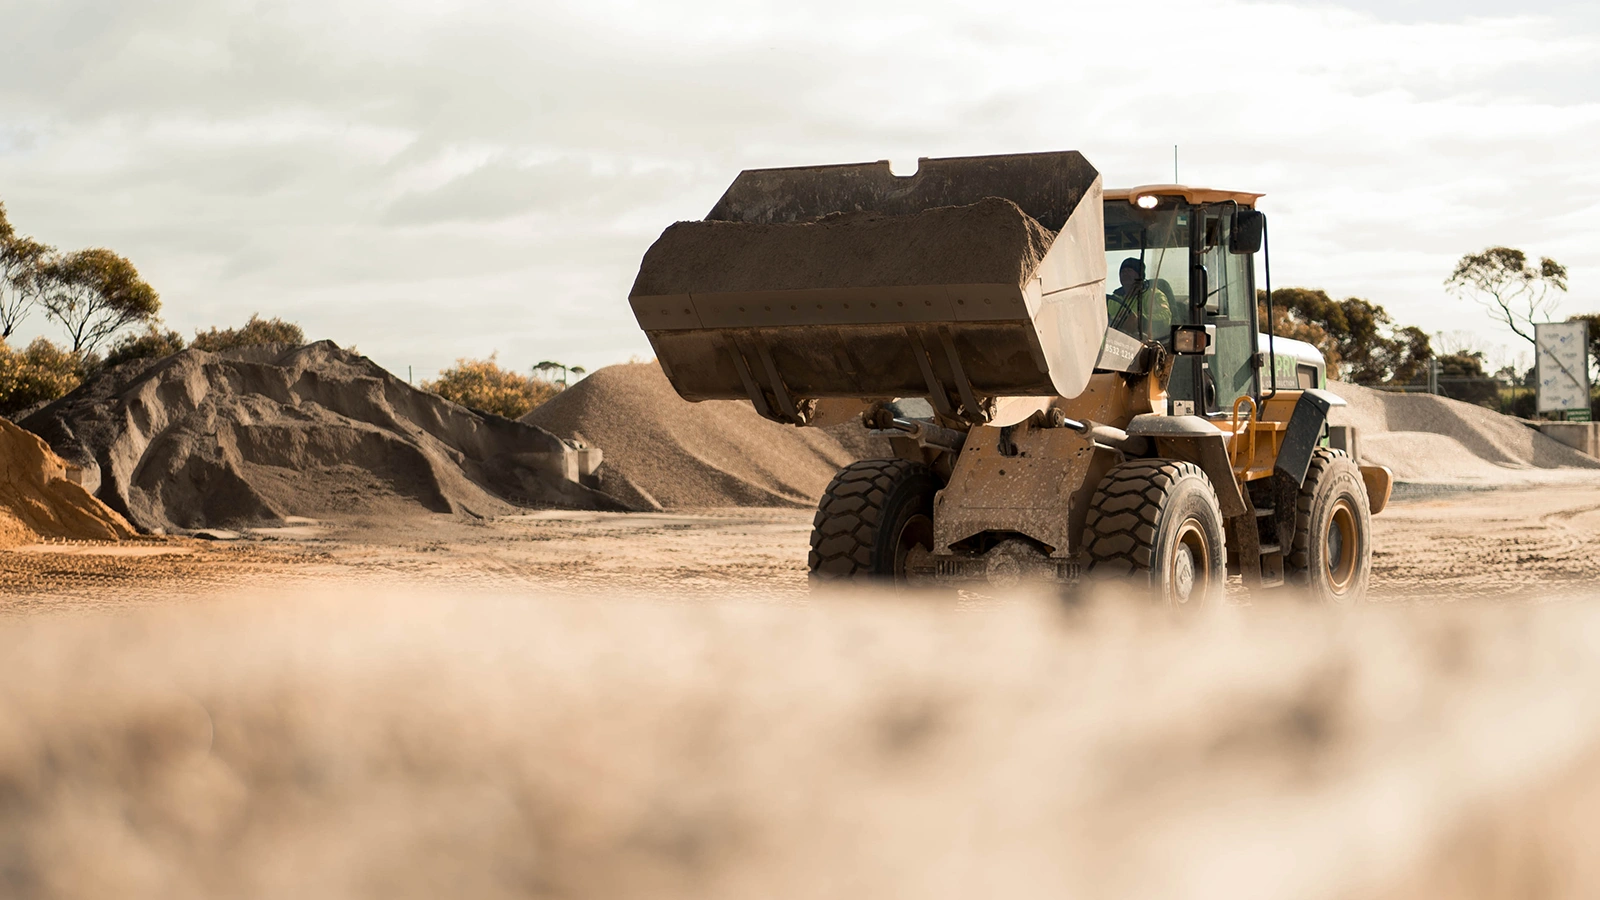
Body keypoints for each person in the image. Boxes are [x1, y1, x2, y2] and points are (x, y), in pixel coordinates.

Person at [1107, 257, 1173, 339]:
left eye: (1129, 271)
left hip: (1147, 343)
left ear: (1140, 275)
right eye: (1122, 271)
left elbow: (1165, 317)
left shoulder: (1153, 295)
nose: (1125, 274)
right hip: (1116, 342)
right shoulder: (1112, 300)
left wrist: (1140, 320)